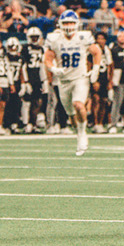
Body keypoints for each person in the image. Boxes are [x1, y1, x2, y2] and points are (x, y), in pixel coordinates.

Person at [45, 10, 102, 155]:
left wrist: (95, 69)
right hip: (63, 81)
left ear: (77, 24)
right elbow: (47, 58)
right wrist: (53, 68)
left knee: (78, 104)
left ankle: (82, 134)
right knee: (71, 114)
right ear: (60, 24)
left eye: (71, 22)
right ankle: (79, 132)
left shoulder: (83, 37)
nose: (69, 26)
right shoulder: (55, 39)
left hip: (80, 78)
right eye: (66, 23)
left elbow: (96, 52)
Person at [21, 27, 46, 133]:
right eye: (33, 37)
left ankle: (33, 123)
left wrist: (44, 80)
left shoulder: (41, 49)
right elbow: (23, 65)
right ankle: (26, 124)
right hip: (29, 76)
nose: (35, 39)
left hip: (38, 77)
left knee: (36, 102)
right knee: (27, 102)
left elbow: (42, 65)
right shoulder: (25, 48)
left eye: (36, 37)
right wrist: (25, 81)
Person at [90, 32, 113, 132]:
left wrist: (110, 81)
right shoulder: (92, 50)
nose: (100, 41)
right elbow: (89, 64)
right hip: (96, 77)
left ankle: (100, 123)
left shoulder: (107, 50)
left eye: (102, 39)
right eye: (98, 38)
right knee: (95, 99)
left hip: (104, 78)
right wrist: (93, 80)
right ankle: (95, 123)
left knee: (104, 101)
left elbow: (111, 66)